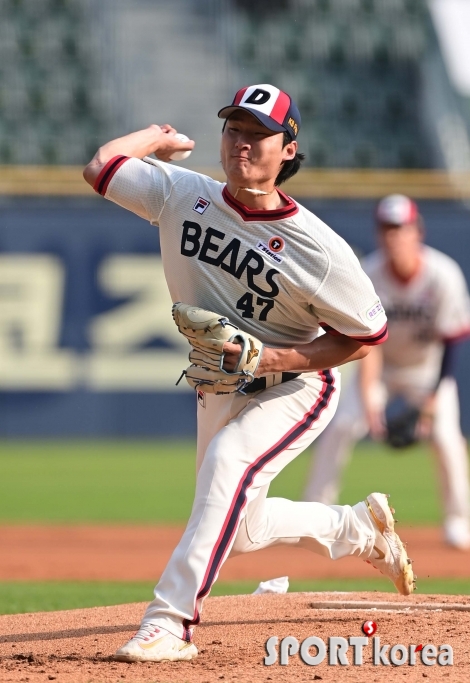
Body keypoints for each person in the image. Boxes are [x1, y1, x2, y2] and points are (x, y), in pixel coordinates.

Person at [83, 85, 414, 664]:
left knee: (226, 467)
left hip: (296, 384)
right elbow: (102, 166)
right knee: (237, 524)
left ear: (288, 149)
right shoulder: (182, 194)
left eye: (259, 134)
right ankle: (359, 530)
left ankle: (170, 622)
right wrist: (159, 137)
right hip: (218, 383)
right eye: (234, 130)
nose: (242, 144)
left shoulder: (320, 250)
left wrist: (273, 359)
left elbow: (366, 337)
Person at [305, 194, 470, 550]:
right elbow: (369, 343)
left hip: (427, 371)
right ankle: (315, 514)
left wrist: (431, 400)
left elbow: (451, 342)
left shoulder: (443, 275)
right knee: (343, 424)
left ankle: (459, 521)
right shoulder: (370, 275)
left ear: (417, 231)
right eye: (387, 229)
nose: (394, 236)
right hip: (378, 366)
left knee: (447, 438)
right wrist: (368, 399)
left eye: (401, 228)